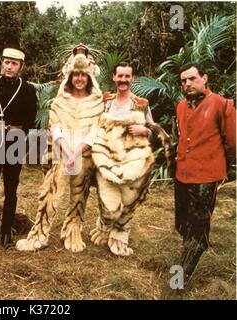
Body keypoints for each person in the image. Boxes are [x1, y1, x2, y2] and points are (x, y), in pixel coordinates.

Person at [16, 44, 104, 253]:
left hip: (84, 153)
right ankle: (39, 233)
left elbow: (95, 131)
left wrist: (77, 152)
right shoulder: (59, 100)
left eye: (83, 75)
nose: (80, 78)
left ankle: (73, 231)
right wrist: (67, 151)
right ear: (70, 76)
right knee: (49, 192)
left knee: (80, 194)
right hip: (61, 153)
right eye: (76, 75)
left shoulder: (97, 102)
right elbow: (55, 128)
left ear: (89, 77)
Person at [89, 61, 173, 256]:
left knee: (128, 200)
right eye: (120, 76)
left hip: (132, 162)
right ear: (114, 77)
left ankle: (120, 234)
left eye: (127, 76)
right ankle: (104, 225)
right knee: (108, 202)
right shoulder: (105, 100)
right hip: (107, 159)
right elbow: (92, 124)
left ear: (132, 78)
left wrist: (145, 130)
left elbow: (152, 128)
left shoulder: (141, 104)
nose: (123, 80)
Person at [174, 63, 235, 279]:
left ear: (205, 78)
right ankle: (186, 253)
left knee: (198, 229)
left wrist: (222, 167)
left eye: (192, 78)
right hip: (182, 173)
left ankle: (178, 279)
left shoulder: (222, 105)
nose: (188, 83)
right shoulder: (181, 106)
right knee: (182, 223)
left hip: (206, 176)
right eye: (184, 80)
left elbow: (232, 142)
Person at [0, 45, 37, 249]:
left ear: (21, 66)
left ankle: (6, 234)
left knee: (11, 189)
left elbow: (32, 119)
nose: (9, 67)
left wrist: (20, 132)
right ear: (1, 63)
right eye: (6, 62)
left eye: (14, 63)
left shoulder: (28, 89)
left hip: (15, 140)